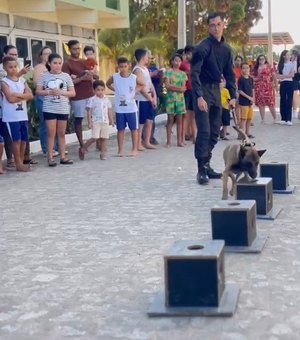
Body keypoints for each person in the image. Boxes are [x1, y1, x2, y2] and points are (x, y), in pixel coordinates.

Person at [191, 12, 236, 185]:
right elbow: (193, 73)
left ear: (223, 25)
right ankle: (201, 170)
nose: (216, 28)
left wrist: (232, 96)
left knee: (215, 132)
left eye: (218, 24)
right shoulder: (202, 47)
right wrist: (199, 96)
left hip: (217, 91)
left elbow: (230, 74)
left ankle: (207, 163)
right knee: (204, 131)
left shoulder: (226, 49)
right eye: (212, 25)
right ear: (208, 27)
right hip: (202, 90)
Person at [36, 53, 75, 166]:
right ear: (49, 63)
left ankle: (63, 157)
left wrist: (62, 92)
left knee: (61, 133)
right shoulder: (44, 76)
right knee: (50, 133)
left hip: (62, 108)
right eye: (55, 63)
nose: (57, 65)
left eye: (59, 63)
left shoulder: (66, 76)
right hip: (49, 107)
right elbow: (38, 91)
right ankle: (50, 157)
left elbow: (72, 92)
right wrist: (49, 92)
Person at [0, 44, 32, 169]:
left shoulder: (22, 80)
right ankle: (17, 163)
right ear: (5, 68)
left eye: (15, 67)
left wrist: (19, 95)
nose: (13, 69)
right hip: (11, 116)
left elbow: (31, 95)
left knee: (24, 139)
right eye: (10, 67)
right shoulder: (4, 82)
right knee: (16, 140)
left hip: (22, 115)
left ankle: (21, 160)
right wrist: (23, 95)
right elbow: (10, 99)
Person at [62, 40, 95, 159]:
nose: (77, 51)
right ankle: (82, 145)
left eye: (78, 48)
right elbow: (67, 82)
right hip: (77, 96)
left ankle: (98, 144)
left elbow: (95, 76)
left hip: (90, 93)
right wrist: (82, 78)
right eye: (74, 48)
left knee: (97, 117)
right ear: (69, 49)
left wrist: (91, 74)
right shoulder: (67, 64)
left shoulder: (84, 62)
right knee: (79, 120)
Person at [106, 56, 142, 157]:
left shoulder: (133, 77)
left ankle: (134, 149)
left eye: (125, 66)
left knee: (133, 129)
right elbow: (107, 84)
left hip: (131, 107)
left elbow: (142, 84)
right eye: (121, 66)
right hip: (120, 108)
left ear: (129, 65)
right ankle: (120, 150)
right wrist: (116, 91)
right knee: (120, 129)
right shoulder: (115, 76)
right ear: (118, 66)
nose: (123, 68)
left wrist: (134, 92)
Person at [33, 46, 59, 157]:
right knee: (45, 123)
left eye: (50, 53)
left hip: (54, 98)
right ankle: (46, 149)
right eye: (45, 54)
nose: (48, 55)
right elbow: (36, 83)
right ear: (41, 56)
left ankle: (56, 147)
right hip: (43, 98)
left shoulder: (54, 68)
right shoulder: (40, 67)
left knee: (55, 123)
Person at [80, 80, 114, 160]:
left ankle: (102, 153)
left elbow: (109, 110)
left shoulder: (106, 99)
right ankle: (84, 147)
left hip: (105, 121)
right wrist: (89, 122)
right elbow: (89, 111)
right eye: (98, 90)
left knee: (104, 138)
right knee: (95, 137)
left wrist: (111, 120)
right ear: (94, 90)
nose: (100, 92)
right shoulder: (92, 100)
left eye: (102, 90)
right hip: (96, 121)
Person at [132, 48, 157, 150]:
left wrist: (154, 96)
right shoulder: (137, 70)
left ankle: (146, 141)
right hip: (141, 99)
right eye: (147, 56)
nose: (149, 58)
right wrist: (150, 98)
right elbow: (141, 87)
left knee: (149, 120)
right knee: (141, 122)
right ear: (143, 57)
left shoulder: (145, 69)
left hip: (148, 98)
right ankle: (137, 143)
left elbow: (150, 84)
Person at [164, 53, 187, 147]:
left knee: (180, 120)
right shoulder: (168, 72)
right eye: (176, 60)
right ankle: (168, 141)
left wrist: (174, 88)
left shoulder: (183, 74)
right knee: (170, 120)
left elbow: (184, 88)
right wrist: (178, 89)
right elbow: (167, 86)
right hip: (170, 98)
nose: (177, 63)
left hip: (180, 100)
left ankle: (180, 141)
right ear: (172, 61)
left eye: (179, 61)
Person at [252, 54, 277, 123]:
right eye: (260, 59)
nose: (261, 60)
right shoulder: (255, 68)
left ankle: (275, 118)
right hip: (259, 87)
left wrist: (275, 85)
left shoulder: (269, 66)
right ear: (258, 60)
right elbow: (252, 78)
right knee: (261, 104)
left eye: (263, 59)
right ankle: (262, 119)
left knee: (270, 102)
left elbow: (274, 76)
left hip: (268, 87)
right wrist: (258, 78)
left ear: (265, 59)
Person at [180, 45, 196, 143]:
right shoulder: (183, 64)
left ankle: (194, 135)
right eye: (188, 53)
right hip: (187, 90)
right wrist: (188, 72)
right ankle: (185, 134)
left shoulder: (197, 63)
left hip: (195, 90)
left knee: (193, 114)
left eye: (191, 53)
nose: (190, 55)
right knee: (186, 114)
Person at [276, 50, 295, 125]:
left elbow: (292, 75)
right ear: (284, 56)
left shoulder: (291, 64)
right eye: (287, 55)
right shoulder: (280, 64)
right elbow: (277, 75)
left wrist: (283, 76)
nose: (289, 56)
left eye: (289, 55)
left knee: (289, 100)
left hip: (289, 83)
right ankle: (283, 118)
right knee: (282, 99)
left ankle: (289, 119)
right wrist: (284, 76)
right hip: (283, 83)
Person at [238, 62, 255, 138]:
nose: (246, 69)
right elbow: (240, 91)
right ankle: (241, 134)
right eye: (244, 68)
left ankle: (247, 133)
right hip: (244, 101)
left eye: (247, 68)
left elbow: (252, 89)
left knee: (249, 118)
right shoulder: (241, 79)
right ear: (241, 69)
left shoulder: (251, 79)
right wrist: (248, 97)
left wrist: (253, 98)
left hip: (250, 101)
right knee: (243, 119)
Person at [233, 55, 243, 125]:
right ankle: (238, 120)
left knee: (243, 105)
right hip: (235, 87)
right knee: (237, 105)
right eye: (237, 60)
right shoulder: (232, 69)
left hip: (242, 87)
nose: (238, 62)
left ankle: (244, 119)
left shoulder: (243, 69)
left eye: (240, 60)